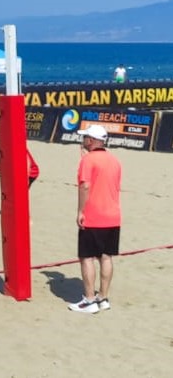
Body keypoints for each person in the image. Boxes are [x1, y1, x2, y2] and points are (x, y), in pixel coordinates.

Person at [68, 125, 122, 314]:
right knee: (106, 257)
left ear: (90, 140)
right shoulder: (114, 160)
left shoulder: (88, 160)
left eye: (85, 138)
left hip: (94, 216)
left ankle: (90, 299)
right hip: (113, 216)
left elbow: (85, 187)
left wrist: (80, 211)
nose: (83, 141)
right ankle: (103, 297)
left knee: (86, 258)